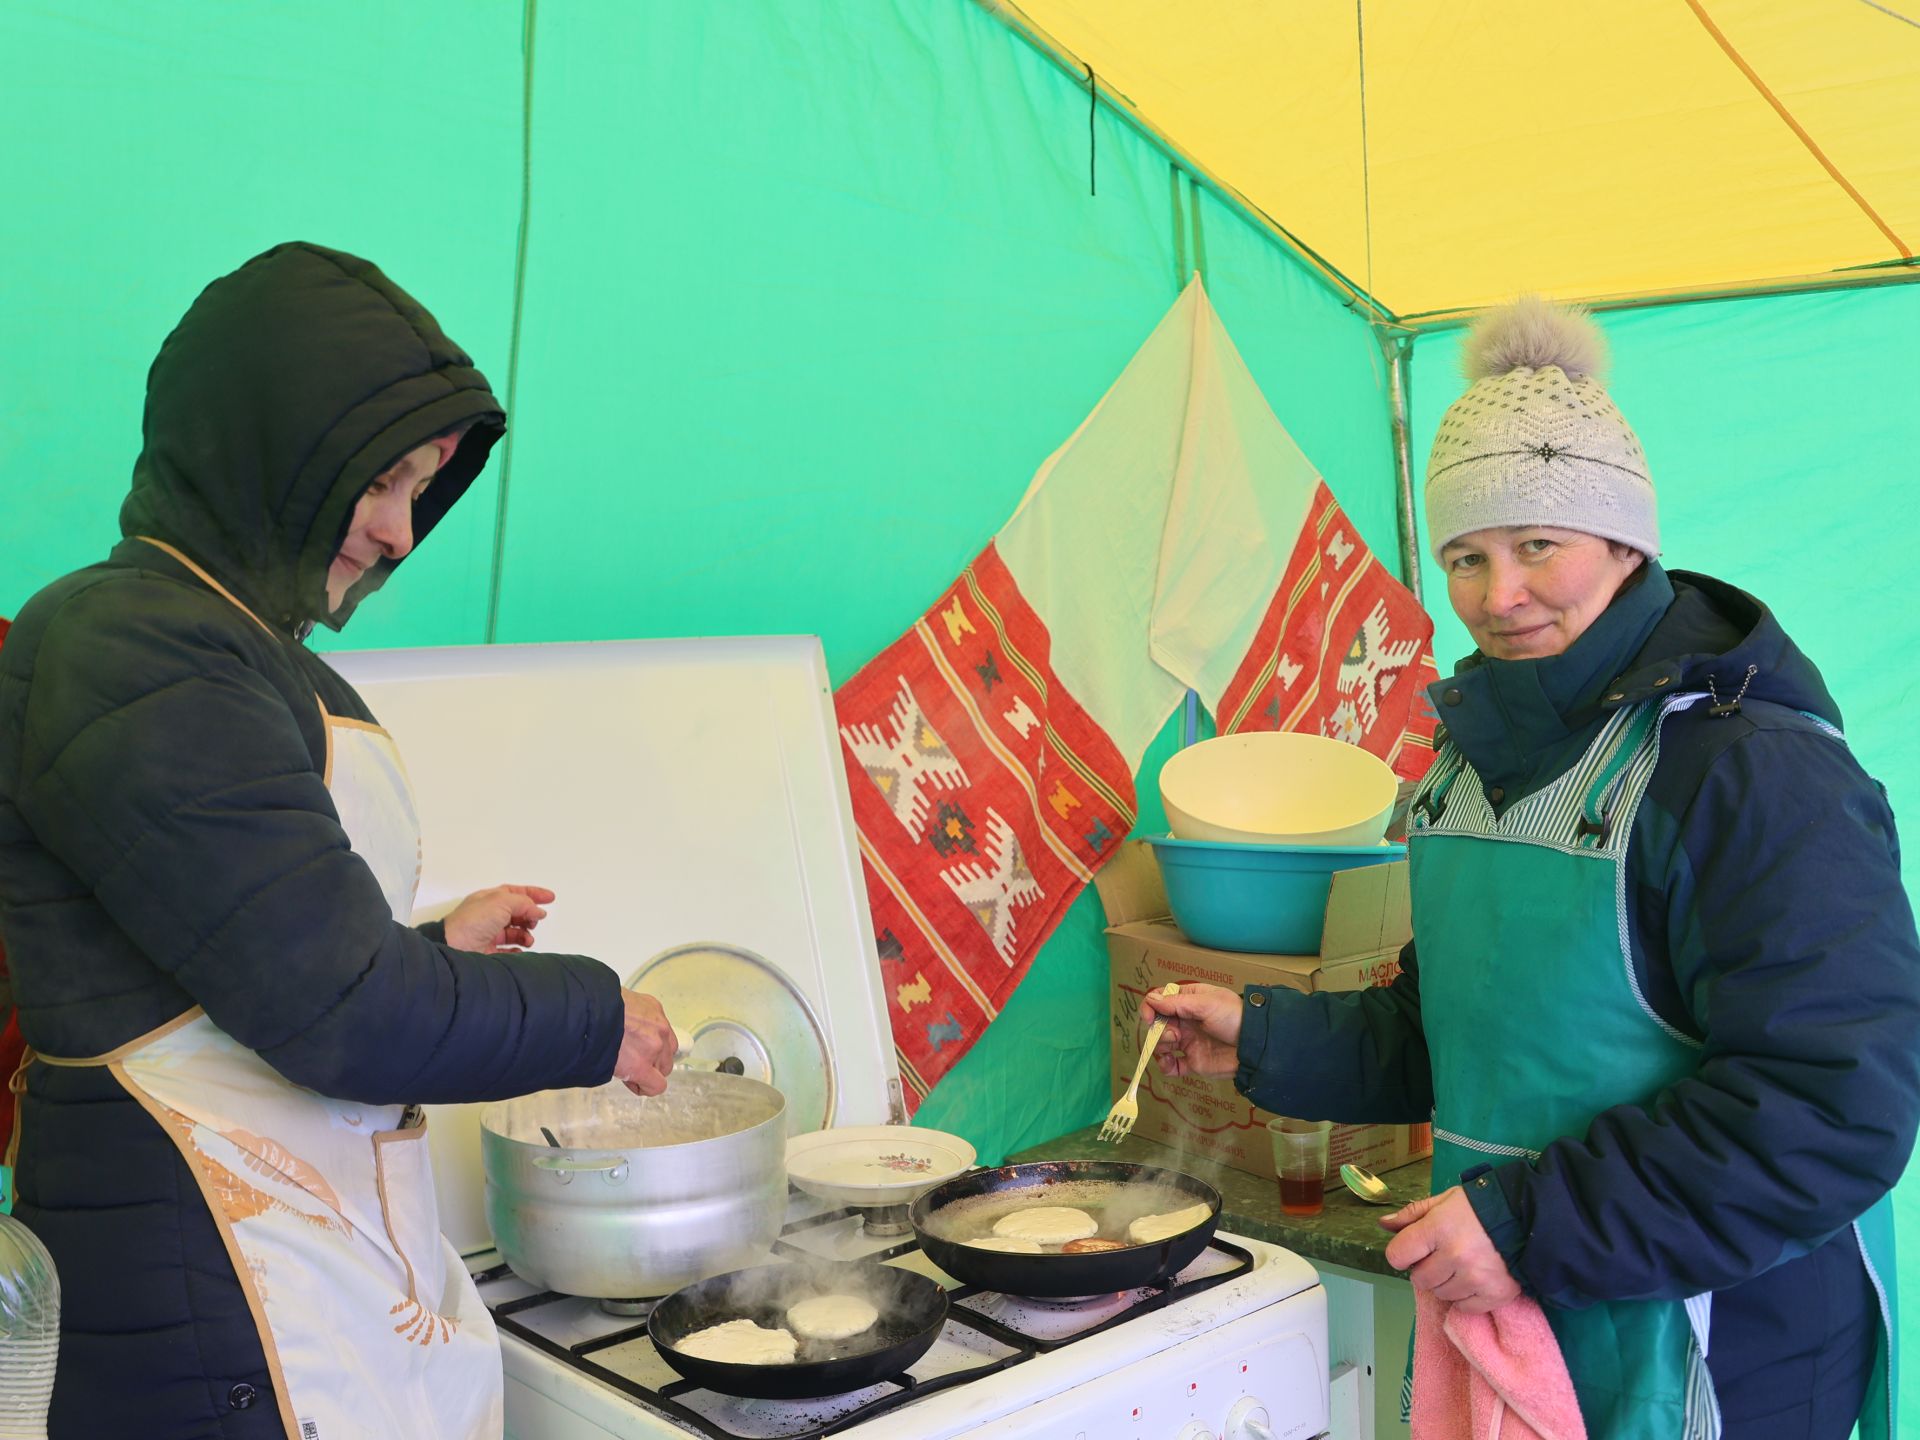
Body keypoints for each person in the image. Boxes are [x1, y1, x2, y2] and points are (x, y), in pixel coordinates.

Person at [1143, 297, 1918, 1439]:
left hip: (1727, 1336)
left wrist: (1525, 1222)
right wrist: (1265, 1036)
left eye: (1536, 546)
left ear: (1624, 542)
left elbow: (1834, 1098)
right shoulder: (1467, 764)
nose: (1497, 597)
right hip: (1524, 1309)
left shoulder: (1748, 768)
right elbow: (1455, 1025)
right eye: (1465, 556)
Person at [0, 242, 680, 1440]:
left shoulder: (218, 645)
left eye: (422, 490)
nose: (401, 532)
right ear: (272, 440)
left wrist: (430, 943)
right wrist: (592, 1015)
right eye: (379, 481)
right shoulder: (128, 645)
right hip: (206, 1292)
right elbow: (344, 1014)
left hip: (286, 1262)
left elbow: (229, 964)